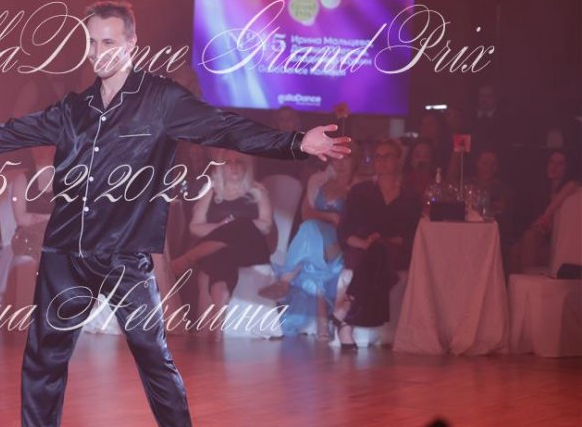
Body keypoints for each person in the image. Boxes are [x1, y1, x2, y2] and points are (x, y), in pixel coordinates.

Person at [0, 0, 351, 427]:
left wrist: (295, 144)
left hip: (125, 255)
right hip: (65, 253)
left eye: (108, 41)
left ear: (131, 44)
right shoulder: (73, 109)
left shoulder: (162, 101)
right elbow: (9, 133)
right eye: (91, 42)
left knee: (154, 357)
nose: (98, 52)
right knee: (44, 353)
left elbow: (226, 127)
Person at [333, 139, 421, 350]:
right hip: (362, 249)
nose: (381, 161)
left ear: (398, 160)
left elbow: (411, 233)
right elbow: (344, 229)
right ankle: (346, 315)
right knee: (376, 252)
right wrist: (364, 243)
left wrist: (384, 241)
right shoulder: (360, 191)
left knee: (380, 249)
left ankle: (346, 314)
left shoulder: (410, 195)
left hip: (394, 250)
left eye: (387, 156)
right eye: (378, 157)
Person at [171, 149, 272, 329]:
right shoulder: (211, 191)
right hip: (217, 253)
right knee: (219, 261)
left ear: (246, 166)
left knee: (241, 224)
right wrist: (222, 228)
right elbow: (195, 227)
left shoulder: (257, 191)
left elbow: (266, 226)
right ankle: (216, 326)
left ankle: (188, 258)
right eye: (228, 162)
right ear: (220, 167)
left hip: (249, 249)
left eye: (238, 162)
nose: (233, 166)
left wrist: (235, 226)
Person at [266, 149, 358, 338]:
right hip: (316, 241)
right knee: (310, 239)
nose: (340, 163)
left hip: (340, 242)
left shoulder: (358, 186)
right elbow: (306, 214)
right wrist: (331, 217)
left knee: (309, 231)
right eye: (336, 158)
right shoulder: (318, 180)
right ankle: (323, 324)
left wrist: (333, 219)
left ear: (354, 160)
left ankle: (285, 282)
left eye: (346, 158)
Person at [512, 149, 580, 271]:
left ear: (567, 168)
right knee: (517, 248)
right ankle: (520, 282)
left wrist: (546, 217)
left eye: (560, 164)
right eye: (551, 162)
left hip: (561, 237)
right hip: (542, 232)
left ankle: (530, 281)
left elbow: (570, 188)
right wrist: (542, 224)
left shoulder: (570, 186)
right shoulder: (541, 188)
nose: (553, 167)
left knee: (529, 238)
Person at [8, 145, 57, 308]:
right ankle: (26, 309)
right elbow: (21, 218)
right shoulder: (22, 178)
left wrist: (39, 218)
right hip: (28, 236)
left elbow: (71, 216)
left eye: (47, 147)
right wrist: (52, 217)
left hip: (56, 234)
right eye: (38, 148)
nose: (42, 152)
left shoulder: (65, 178)